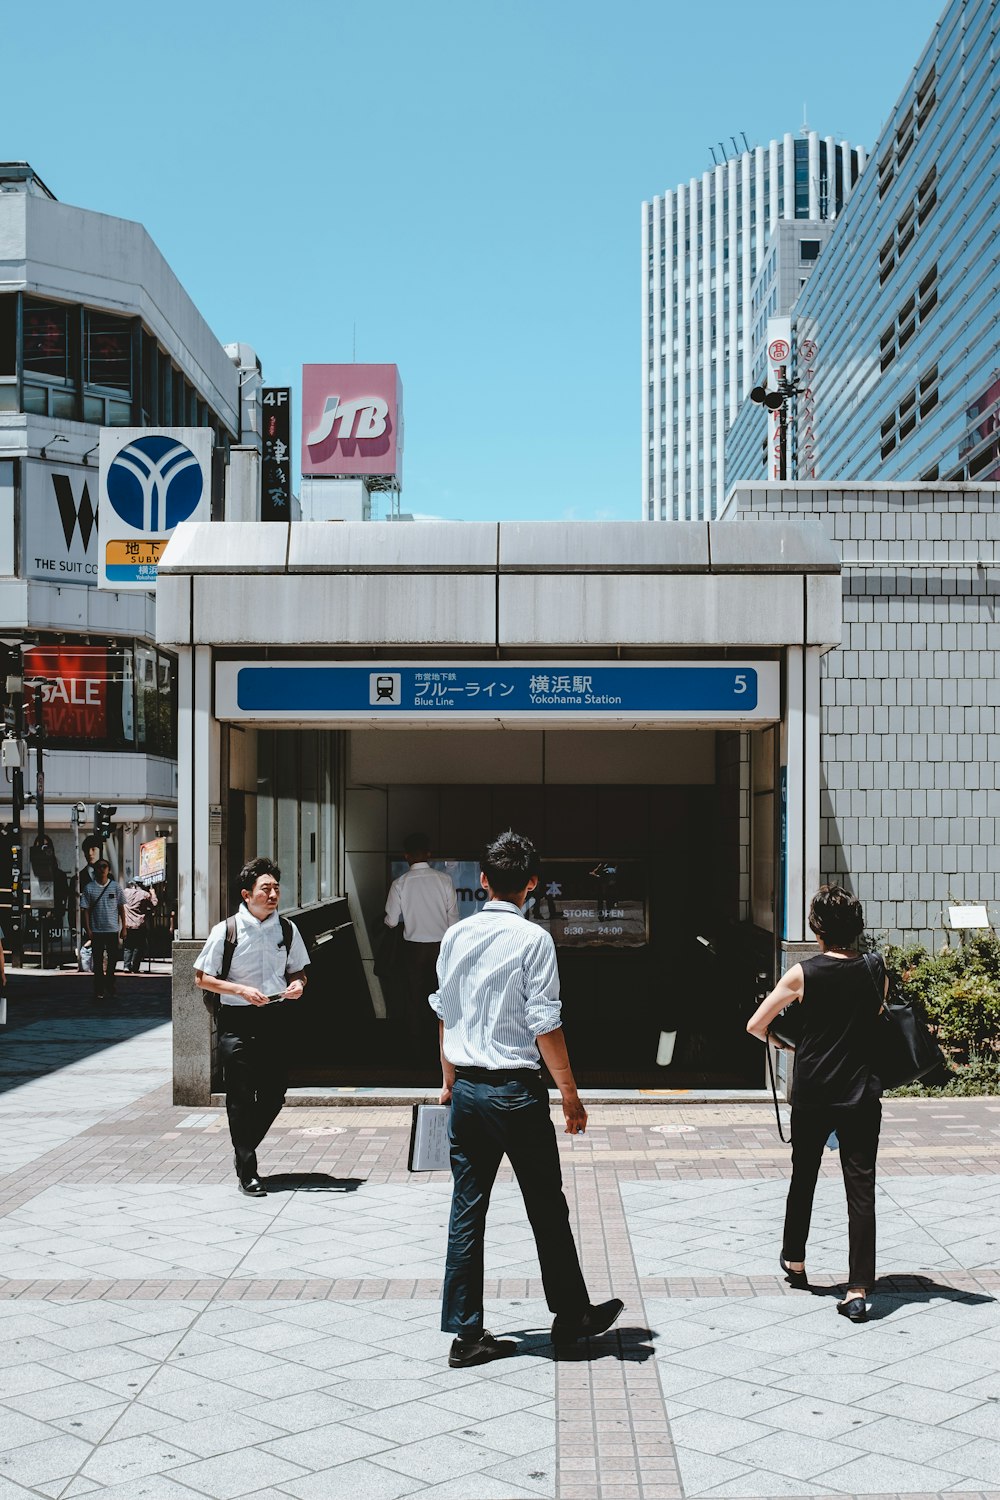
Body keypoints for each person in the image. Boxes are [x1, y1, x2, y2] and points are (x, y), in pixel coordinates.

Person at [432, 829, 623, 1368]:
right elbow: (546, 1026)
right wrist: (571, 1097)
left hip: (468, 1089)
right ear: (533, 883)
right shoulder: (535, 941)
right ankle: (571, 1315)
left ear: (484, 880)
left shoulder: (455, 937)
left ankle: (466, 1334)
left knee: (467, 1211)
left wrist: (448, 1081)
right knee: (546, 1206)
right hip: (517, 1093)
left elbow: (445, 1014)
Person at [746, 884, 886, 1324]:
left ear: (818, 928)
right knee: (860, 1188)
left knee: (803, 1174)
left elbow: (755, 1025)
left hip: (813, 1091)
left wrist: (788, 1046)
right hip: (861, 1092)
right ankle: (859, 1286)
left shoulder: (802, 973)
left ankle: (796, 1259)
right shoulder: (874, 968)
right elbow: (875, 1017)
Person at [194, 857, 310, 1197]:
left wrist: (299, 985)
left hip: (274, 1018)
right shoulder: (226, 930)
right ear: (247, 894)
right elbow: (202, 978)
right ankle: (248, 1169)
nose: (273, 894)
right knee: (241, 1096)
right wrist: (240, 990)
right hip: (237, 1020)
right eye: (265, 888)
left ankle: (243, 1148)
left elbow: (298, 971)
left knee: (274, 1093)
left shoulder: (287, 929)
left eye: (276, 888)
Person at [384, 832, 458, 1061]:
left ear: (406, 856)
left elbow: (391, 921)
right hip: (441, 947)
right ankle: (444, 1049)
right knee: (443, 997)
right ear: (429, 854)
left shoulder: (400, 884)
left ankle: (415, 1051)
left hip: (413, 949)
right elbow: (454, 919)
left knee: (414, 999)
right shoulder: (444, 880)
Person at [80, 860, 126, 1002]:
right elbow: (85, 910)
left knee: (113, 960)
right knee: (98, 962)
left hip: (112, 929)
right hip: (97, 930)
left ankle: (110, 985)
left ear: (108, 869)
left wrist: (124, 927)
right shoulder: (89, 888)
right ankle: (99, 988)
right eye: (99, 867)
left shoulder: (115, 887)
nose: (102, 869)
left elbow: (121, 908)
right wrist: (88, 929)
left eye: (104, 866)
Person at [122, 879, 158, 972]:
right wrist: (153, 893)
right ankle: (135, 967)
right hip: (140, 924)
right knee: (138, 947)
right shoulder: (145, 894)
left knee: (128, 946)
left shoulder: (125, 892)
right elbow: (154, 904)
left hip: (127, 924)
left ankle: (126, 966)